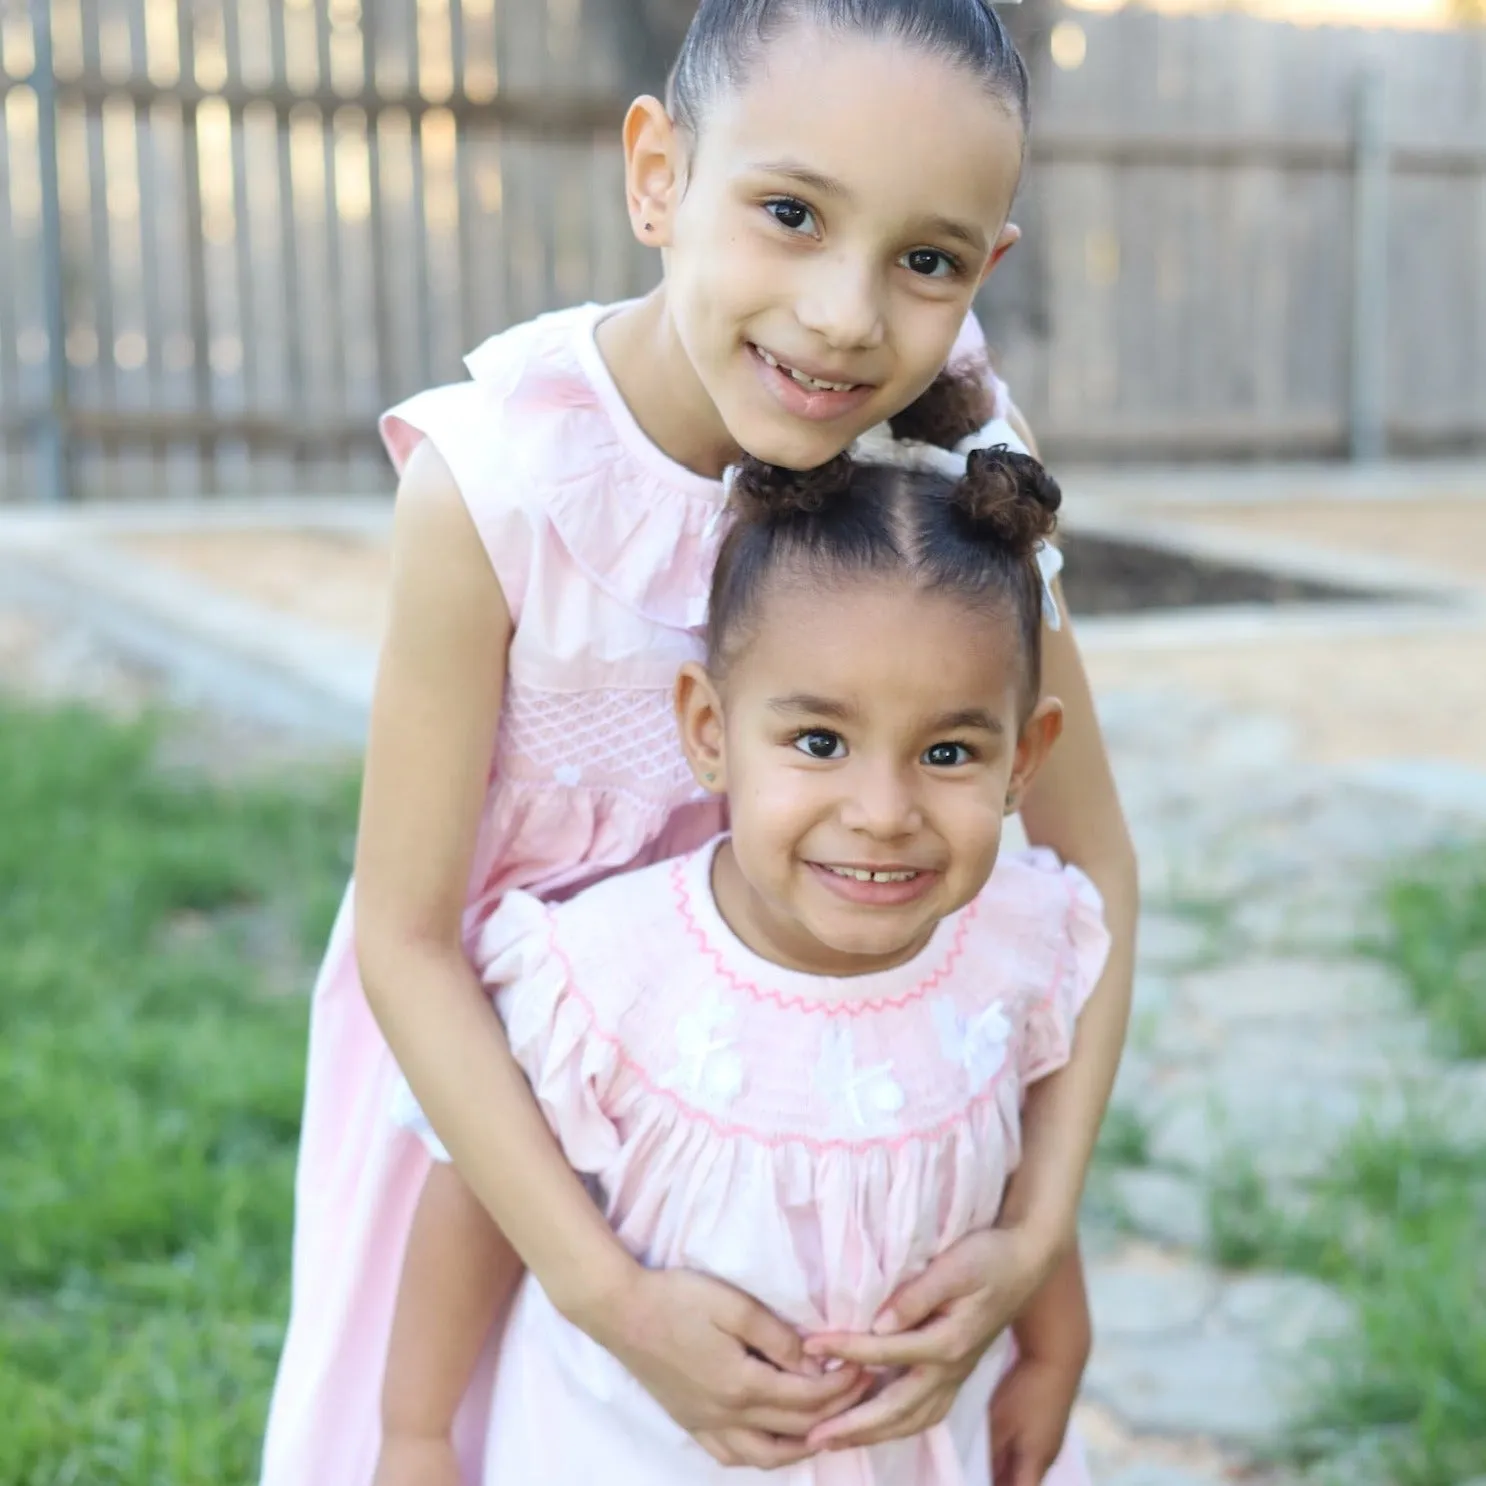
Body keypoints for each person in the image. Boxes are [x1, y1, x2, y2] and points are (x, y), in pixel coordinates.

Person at [259, 3, 1137, 1483]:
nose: (847, 314)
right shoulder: (502, 489)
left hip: (845, 1116)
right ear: (657, 174)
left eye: (922, 259)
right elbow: (407, 938)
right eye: (788, 212)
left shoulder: (949, 467)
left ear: (984, 265)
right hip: (503, 1122)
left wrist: (1034, 1230)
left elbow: (1087, 860)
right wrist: (610, 1299)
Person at [379, 389, 1110, 1486]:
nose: (881, 810)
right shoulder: (602, 977)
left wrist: (1054, 1343)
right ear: (710, 731)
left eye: (948, 753)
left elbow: (999, 1170)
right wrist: (417, 1435)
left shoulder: (1017, 944)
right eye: (819, 739)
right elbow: (480, 1195)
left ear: (1024, 757)